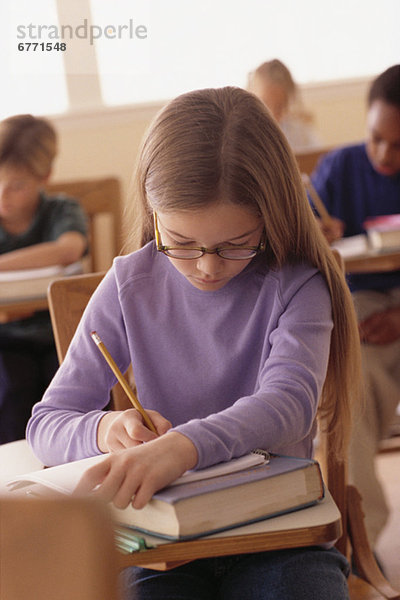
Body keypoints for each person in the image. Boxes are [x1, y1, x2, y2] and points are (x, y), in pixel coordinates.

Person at [27, 87, 361, 599]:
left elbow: (289, 405)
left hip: (279, 536)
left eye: (235, 244)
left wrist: (182, 448)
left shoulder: (297, 284)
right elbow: (47, 422)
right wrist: (107, 427)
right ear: (153, 213)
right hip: (159, 546)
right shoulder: (126, 283)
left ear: (271, 217)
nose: (207, 267)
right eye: (181, 243)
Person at [310, 64, 400, 549]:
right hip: (361, 306)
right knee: (351, 386)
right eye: (376, 138)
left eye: (399, 145)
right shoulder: (340, 168)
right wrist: (314, 235)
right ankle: (361, 537)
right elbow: (300, 239)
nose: (385, 154)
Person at [0, 114, 88, 444]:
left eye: (16, 186)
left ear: (44, 177)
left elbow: (68, 249)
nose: (3, 195)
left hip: (60, 334)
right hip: (6, 337)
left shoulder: (62, 210)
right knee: (12, 387)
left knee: (72, 388)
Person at [247, 59, 321, 152]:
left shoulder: (300, 133)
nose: (272, 115)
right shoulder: (245, 134)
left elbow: (317, 157)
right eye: (265, 105)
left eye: (279, 107)